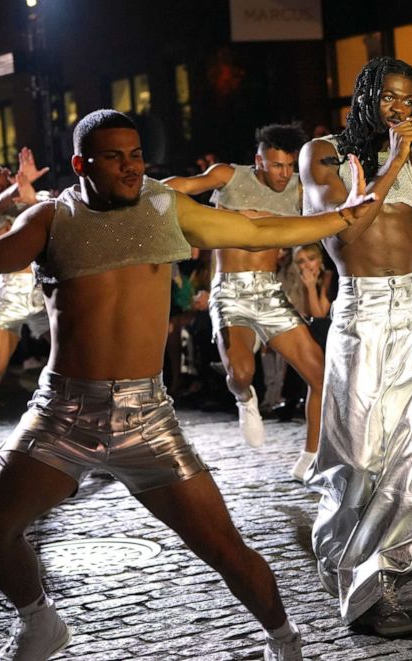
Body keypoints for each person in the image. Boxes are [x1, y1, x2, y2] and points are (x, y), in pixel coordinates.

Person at [0, 109, 378, 661]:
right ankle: (38, 623)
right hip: (62, 411)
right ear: (80, 164)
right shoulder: (50, 219)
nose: (130, 167)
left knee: (224, 548)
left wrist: (343, 217)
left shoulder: (166, 207)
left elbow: (259, 227)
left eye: (136, 155)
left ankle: (285, 642)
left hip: (147, 415)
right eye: (114, 157)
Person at [300, 56, 412, 636]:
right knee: (360, 459)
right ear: (366, 96)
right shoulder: (323, 153)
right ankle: (343, 561)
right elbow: (345, 235)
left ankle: (376, 587)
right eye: (390, 97)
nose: (400, 109)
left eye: (408, 99)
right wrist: (392, 164)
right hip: (363, 312)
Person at [163, 124, 325, 480]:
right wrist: (144, 190)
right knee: (241, 374)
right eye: (277, 165)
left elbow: (334, 206)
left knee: (321, 375)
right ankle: (244, 398)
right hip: (230, 292)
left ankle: (310, 458)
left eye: (290, 165)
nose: (284, 173)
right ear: (259, 161)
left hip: (270, 291)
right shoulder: (229, 176)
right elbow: (184, 186)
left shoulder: (299, 190)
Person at [0, 148, 51, 464]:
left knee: (76, 364)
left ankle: (89, 441)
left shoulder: (37, 196)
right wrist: (19, 184)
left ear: (5, 172)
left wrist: (26, 185)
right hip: (11, 294)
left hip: (44, 291)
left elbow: (34, 207)